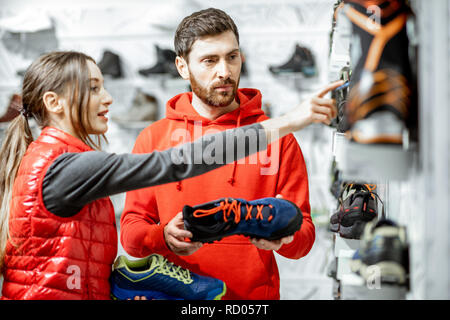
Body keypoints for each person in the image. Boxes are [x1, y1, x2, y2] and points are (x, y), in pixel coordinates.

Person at [0, 50, 340, 300]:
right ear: (54, 102)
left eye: (103, 85)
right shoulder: (64, 167)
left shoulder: (63, 160)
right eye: (92, 88)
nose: (107, 98)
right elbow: (176, 162)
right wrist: (287, 121)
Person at [120, 8, 342, 299]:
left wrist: (281, 239)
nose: (224, 71)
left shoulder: (277, 139)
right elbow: (131, 234)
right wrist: (161, 236)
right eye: (209, 60)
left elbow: (304, 238)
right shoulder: (153, 138)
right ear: (182, 67)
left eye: (232, 57)